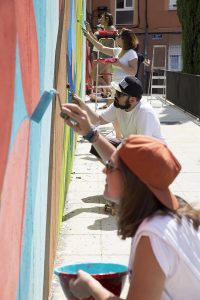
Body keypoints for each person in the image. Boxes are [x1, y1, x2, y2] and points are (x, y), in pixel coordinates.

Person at [61, 103, 200, 300]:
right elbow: (126, 164)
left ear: (130, 181)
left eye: (109, 167)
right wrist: (91, 134)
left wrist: (92, 287)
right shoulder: (175, 210)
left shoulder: (154, 237)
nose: (104, 169)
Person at [72, 75, 166, 158]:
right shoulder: (119, 105)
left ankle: (121, 175)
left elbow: (143, 147)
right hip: (135, 147)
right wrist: (83, 106)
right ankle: (115, 173)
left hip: (154, 157)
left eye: (119, 94)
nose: (115, 95)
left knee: (120, 156)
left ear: (132, 100)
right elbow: (98, 120)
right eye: (116, 91)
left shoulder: (144, 113)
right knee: (98, 146)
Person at [83, 27, 138, 113]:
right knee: (115, 112)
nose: (117, 37)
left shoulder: (131, 53)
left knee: (118, 112)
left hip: (125, 87)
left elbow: (133, 71)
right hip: (116, 85)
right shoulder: (118, 51)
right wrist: (89, 36)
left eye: (119, 36)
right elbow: (101, 48)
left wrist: (120, 64)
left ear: (124, 39)